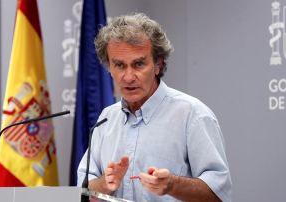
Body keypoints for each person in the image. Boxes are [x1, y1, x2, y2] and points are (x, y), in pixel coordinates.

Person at [77, 13, 232, 202]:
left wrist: (173, 185)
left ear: (158, 64)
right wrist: (105, 183)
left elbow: (218, 194)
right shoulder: (106, 118)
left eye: (138, 64)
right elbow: (83, 191)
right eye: (119, 65)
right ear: (109, 67)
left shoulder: (192, 115)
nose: (128, 77)